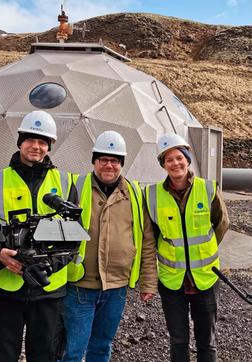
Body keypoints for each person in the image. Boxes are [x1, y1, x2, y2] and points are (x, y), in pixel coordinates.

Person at [0, 110, 75, 362]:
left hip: (49, 290)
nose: (36, 146)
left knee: (46, 355)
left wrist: (48, 265)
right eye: (30, 139)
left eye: (43, 142)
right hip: (5, 290)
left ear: (50, 147)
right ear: (20, 141)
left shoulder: (65, 182)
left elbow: (75, 237)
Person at [61, 131, 157, 362]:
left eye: (114, 161)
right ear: (94, 161)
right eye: (103, 159)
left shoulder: (134, 193)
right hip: (80, 284)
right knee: (73, 349)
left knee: (102, 346)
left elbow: (145, 240)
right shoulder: (76, 185)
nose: (109, 165)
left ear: (121, 164)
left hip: (117, 286)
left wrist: (148, 281)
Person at [144, 133, 229, 362]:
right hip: (172, 280)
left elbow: (221, 224)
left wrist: (202, 251)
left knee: (207, 342)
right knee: (178, 340)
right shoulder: (152, 195)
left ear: (187, 158)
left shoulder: (208, 189)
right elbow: (150, 237)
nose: (175, 163)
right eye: (168, 159)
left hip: (205, 278)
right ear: (163, 164)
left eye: (179, 157)